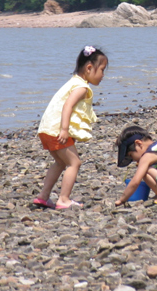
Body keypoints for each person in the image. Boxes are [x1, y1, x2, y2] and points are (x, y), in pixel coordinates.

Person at [34, 46, 107, 209]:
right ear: (89, 68)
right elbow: (68, 106)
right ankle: (64, 199)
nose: (103, 75)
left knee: (60, 163)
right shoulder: (81, 87)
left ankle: (43, 196)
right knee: (75, 163)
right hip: (57, 130)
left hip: (46, 129)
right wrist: (65, 129)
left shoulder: (72, 82)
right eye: (102, 70)